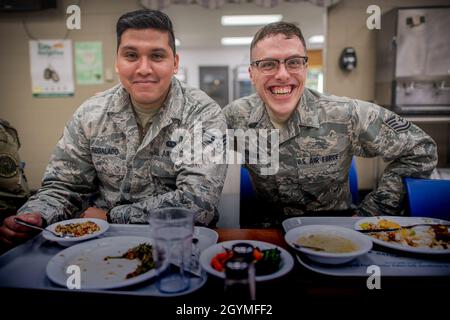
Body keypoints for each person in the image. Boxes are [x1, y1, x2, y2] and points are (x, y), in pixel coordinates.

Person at [0, 9, 227, 249]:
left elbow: (198, 204)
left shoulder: (203, 113)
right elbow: (63, 186)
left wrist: (112, 216)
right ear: (117, 62)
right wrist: (35, 215)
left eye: (157, 56)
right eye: (131, 55)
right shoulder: (91, 114)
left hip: (180, 246)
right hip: (100, 246)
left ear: (175, 63)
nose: (143, 68)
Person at [223, 22, 437, 227]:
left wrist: (372, 213)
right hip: (267, 237)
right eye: (268, 64)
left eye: (294, 62)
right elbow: (199, 160)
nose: (282, 74)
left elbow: (421, 148)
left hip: (337, 232)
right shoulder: (235, 117)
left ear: (305, 68)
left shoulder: (345, 113)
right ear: (252, 74)